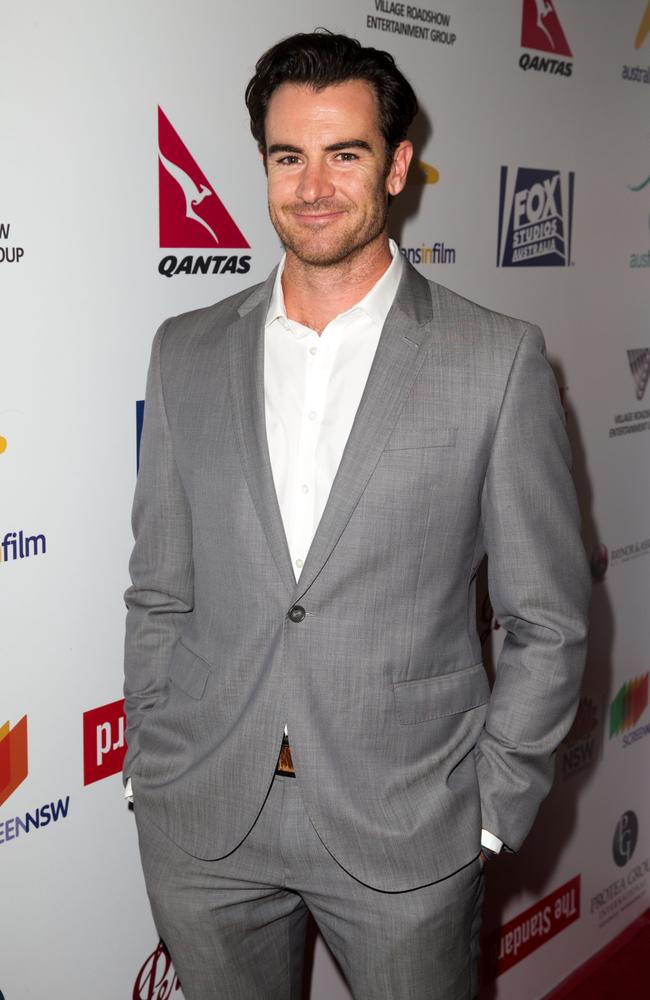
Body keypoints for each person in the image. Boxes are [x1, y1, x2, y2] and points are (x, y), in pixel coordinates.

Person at [123, 30, 591, 1000]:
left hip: (405, 826)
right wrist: (148, 765)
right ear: (262, 166)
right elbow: (160, 589)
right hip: (205, 820)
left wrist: (489, 811)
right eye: (288, 156)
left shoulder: (493, 360)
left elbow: (545, 618)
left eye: (345, 153)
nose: (313, 184)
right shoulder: (184, 352)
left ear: (397, 165)